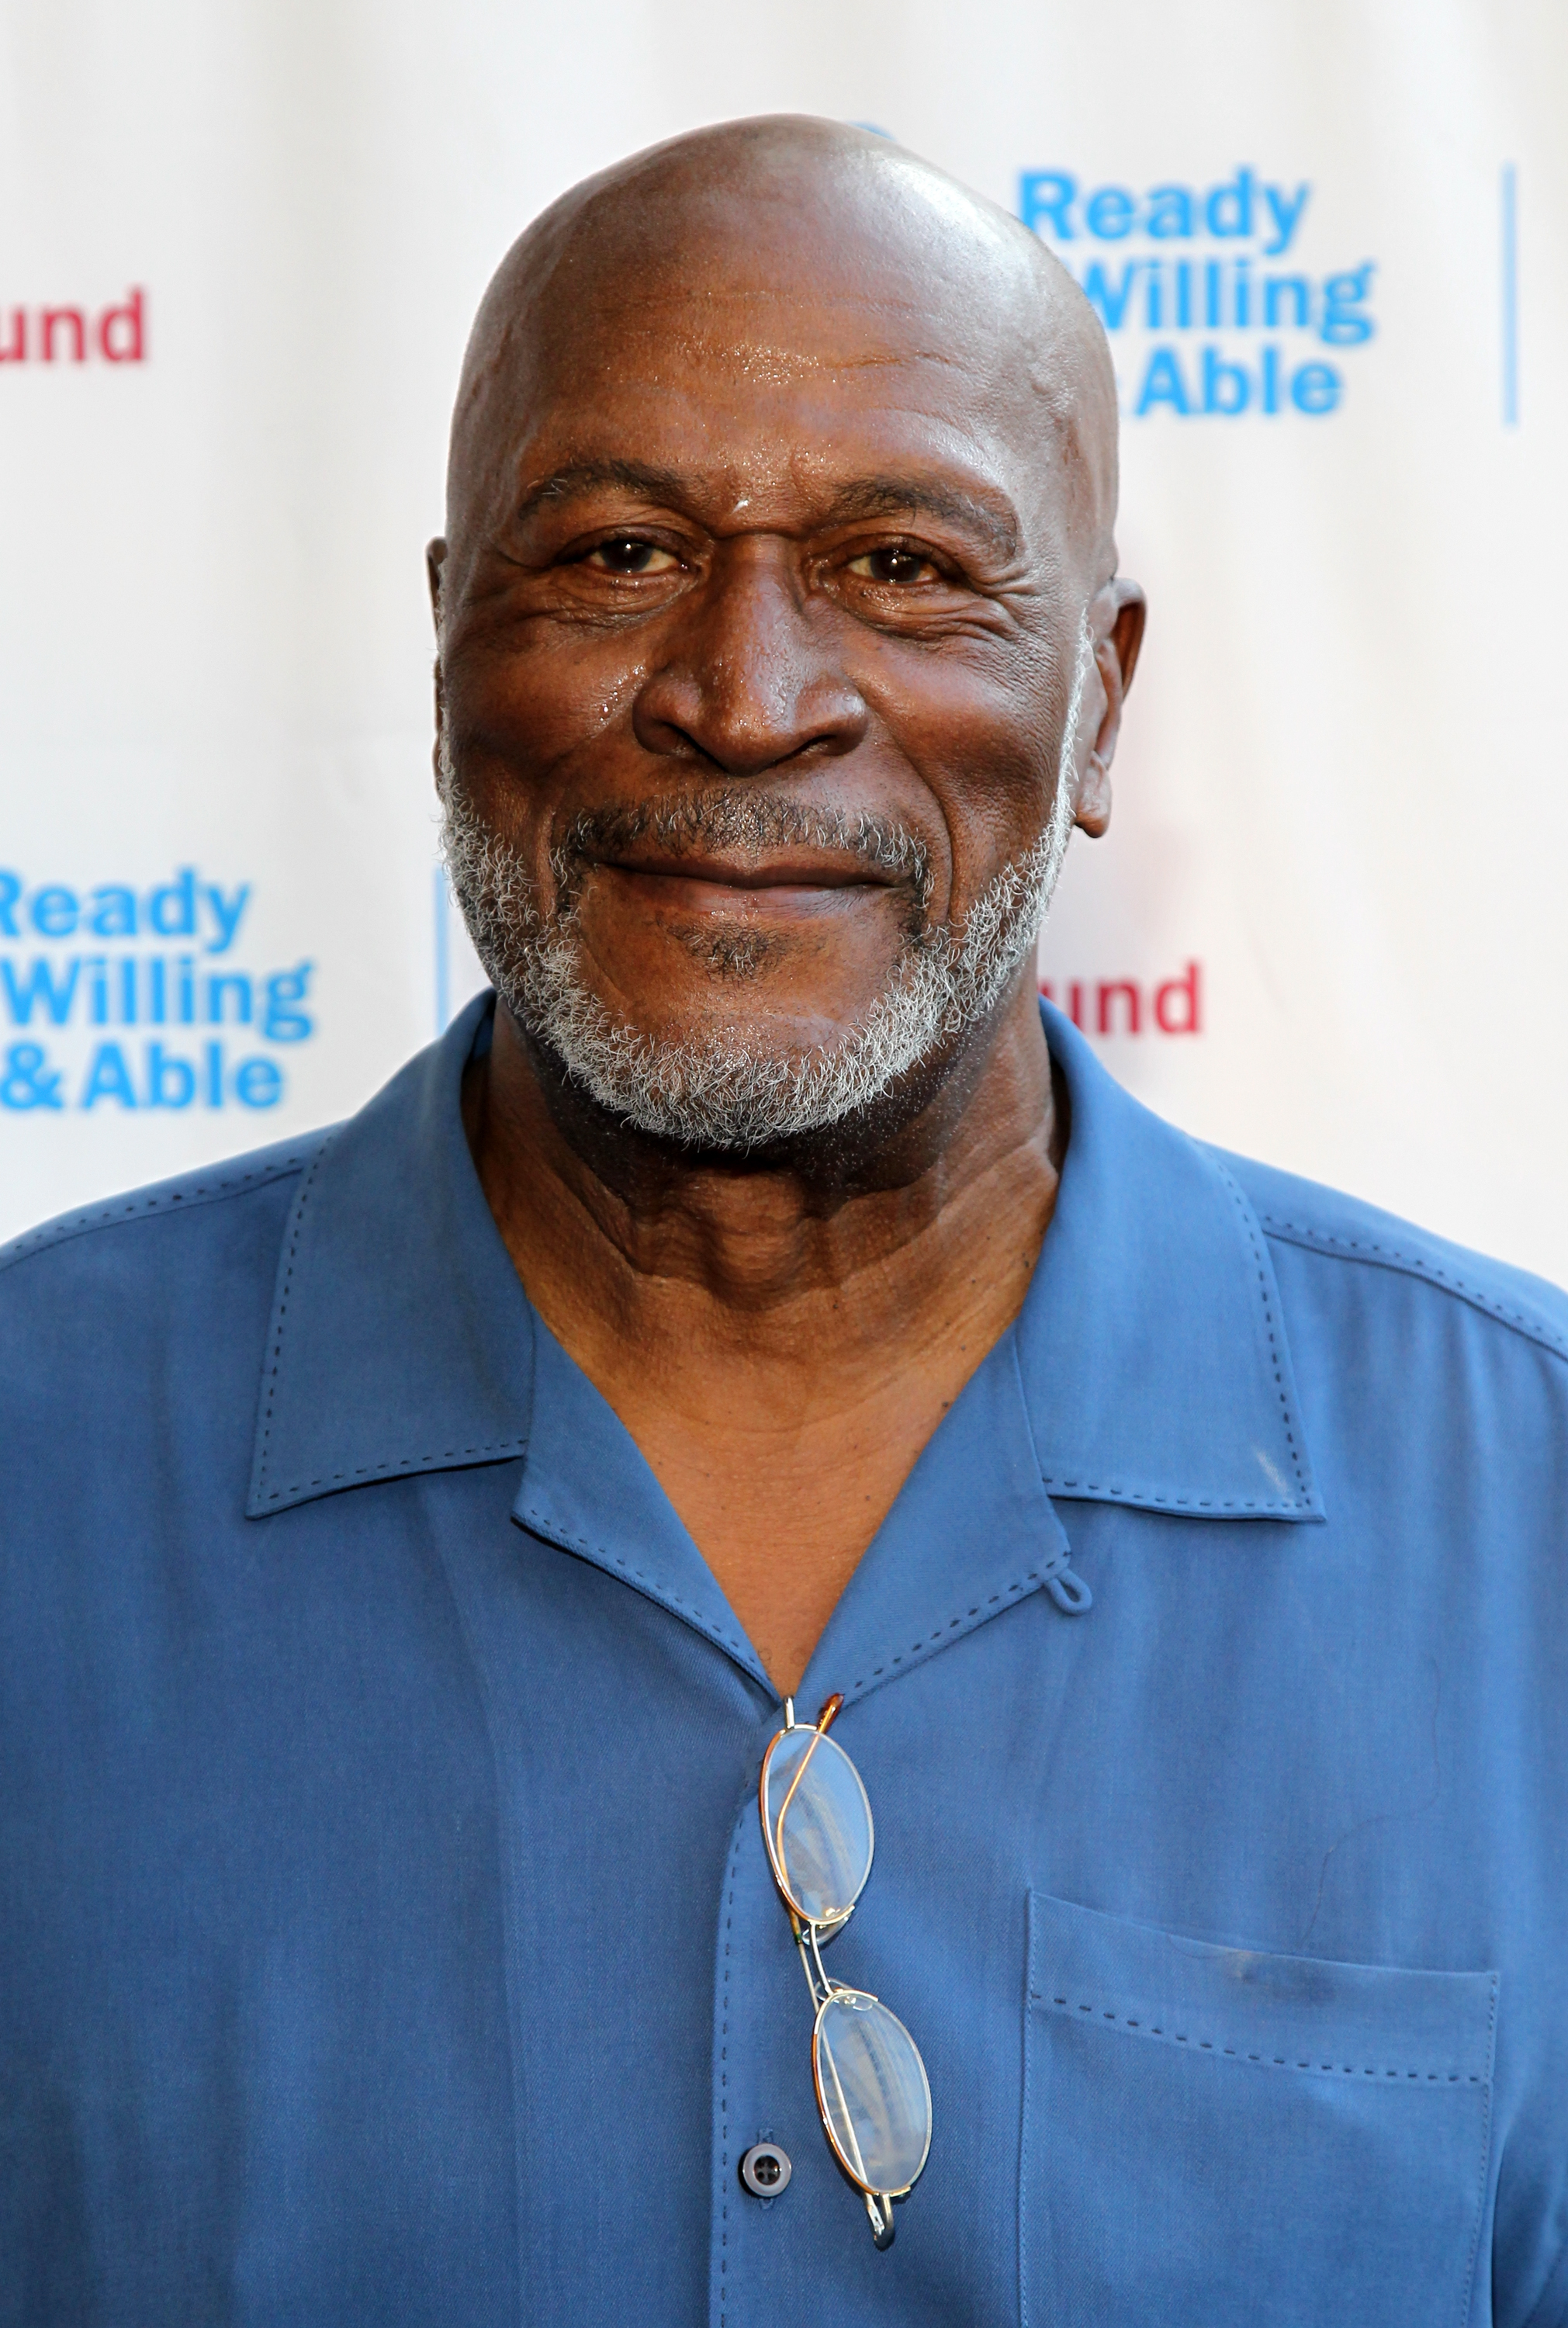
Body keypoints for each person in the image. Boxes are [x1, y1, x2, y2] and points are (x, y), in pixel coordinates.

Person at [2, 114, 1565, 2328]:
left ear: (1101, 695)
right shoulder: (35, 1470)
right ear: (450, 651)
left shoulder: (1531, 1526)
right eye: (621, 553)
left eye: (908, 567)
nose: (747, 696)